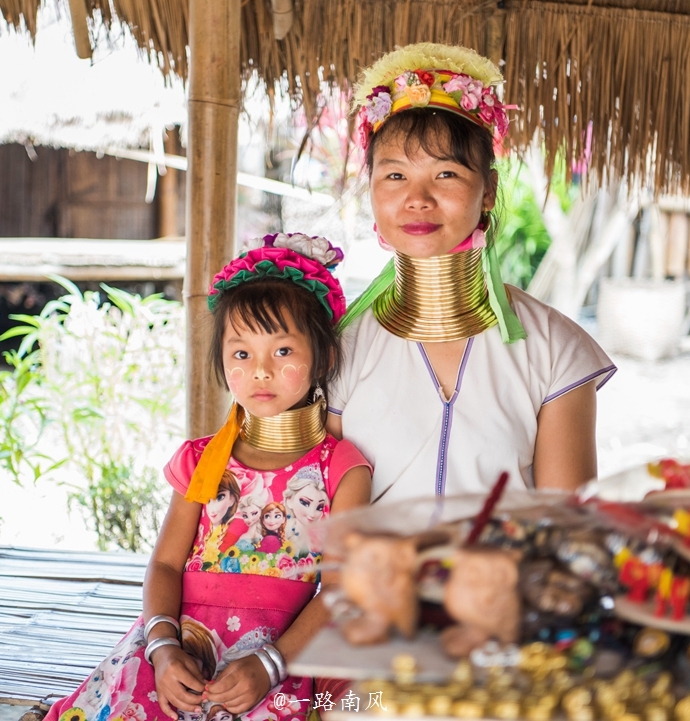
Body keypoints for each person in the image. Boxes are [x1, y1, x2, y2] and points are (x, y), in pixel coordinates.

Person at [46, 232, 373, 721]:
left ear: (324, 357)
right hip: (176, 652)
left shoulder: (341, 469)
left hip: (276, 660)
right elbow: (165, 565)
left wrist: (269, 664)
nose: (260, 370)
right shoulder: (202, 460)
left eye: (283, 351)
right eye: (242, 354)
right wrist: (161, 647)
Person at [328, 42, 616, 501]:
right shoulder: (339, 350)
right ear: (372, 188)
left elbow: (566, 523)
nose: (417, 199)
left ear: (488, 190)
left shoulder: (554, 350)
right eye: (395, 175)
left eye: (446, 174)